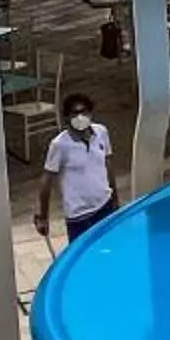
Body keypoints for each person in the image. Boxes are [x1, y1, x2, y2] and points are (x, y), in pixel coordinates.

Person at [34, 93, 122, 246]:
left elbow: (107, 164)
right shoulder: (60, 145)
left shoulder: (101, 132)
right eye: (75, 113)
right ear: (67, 117)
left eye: (84, 112)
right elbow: (46, 181)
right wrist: (43, 216)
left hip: (104, 206)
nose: (80, 117)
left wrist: (115, 198)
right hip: (80, 216)